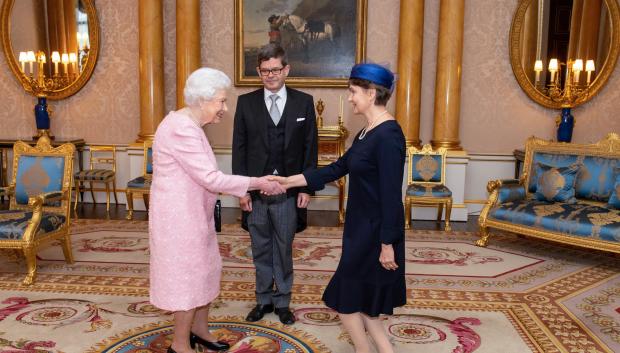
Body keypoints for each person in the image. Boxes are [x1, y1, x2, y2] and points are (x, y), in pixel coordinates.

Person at [149, 67, 285, 353]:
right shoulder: (181, 129)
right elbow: (210, 178)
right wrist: (259, 182)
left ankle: (199, 330)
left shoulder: (190, 125)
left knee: (204, 272)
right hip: (179, 220)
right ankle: (179, 344)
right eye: (221, 101)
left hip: (194, 214)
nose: (225, 108)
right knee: (187, 280)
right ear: (202, 100)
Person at [273, 63, 406, 353]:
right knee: (366, 306)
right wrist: (289, 181)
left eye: (353, 92)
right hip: (359, 229)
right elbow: (336, 168)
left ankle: (362, 350)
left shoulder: (388, 136)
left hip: (374, 234)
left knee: (345, 297)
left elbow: (391, 196)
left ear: (371, 94)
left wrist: (387, 243)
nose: (349, 98)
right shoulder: (366, 132)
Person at [232, 44, 318, 325]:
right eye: (265, 71)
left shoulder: (303, 102)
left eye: (276, 70)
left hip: (289, 193)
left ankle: (283, 301)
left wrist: (306, 187)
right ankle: (262, 300)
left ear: (286, 70)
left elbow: (309, 148)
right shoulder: (245, 103)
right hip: (255, 194)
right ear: (259, 72)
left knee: (284, 247)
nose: (271, 75)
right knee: (260, 247)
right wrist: (242, 189)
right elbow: (239, 148)